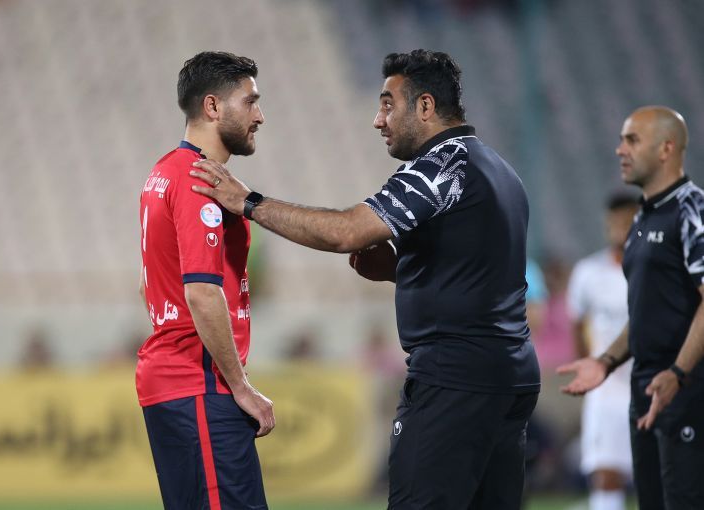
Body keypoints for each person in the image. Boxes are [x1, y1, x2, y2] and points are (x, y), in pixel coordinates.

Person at [191, 49, 540, 510]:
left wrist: (249, 202)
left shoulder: (442, 166)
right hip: (510, 372)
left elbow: (347, 233)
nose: (378, 120)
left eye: (388, 105)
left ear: (426, 106)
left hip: (456, 377)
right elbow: (478, 276)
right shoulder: (500, 170)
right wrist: (399, 269)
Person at [137, 51, 274, 510]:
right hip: (199, 383)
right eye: (250, 101)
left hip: (176, 382)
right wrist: (240, 386)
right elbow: (200, 291)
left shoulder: (164, 171)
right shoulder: (200, 181)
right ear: (213, 106)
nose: (259, 116)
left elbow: (154, 281)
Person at [558, 106, 704, 509]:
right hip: (645, 391)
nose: (620, 149)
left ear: (666, 148)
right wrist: (605, 361)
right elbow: (643, 313)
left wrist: (678, 373)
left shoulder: (692, 211)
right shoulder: (642, 219)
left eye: (632, 140)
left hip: (685, 393)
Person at [566, 192, 638, 510]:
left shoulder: (655, 271)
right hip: (606, 392)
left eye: (628, 221)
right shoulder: (588, 272)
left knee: (658, 473)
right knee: (606, 475)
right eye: (616, 222)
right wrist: (587, 366)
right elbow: (577, 324)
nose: (621, 228)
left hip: (648, 384)